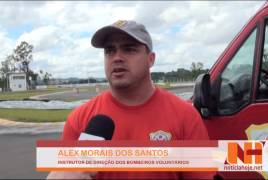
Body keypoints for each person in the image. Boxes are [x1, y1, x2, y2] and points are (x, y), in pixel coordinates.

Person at [47, 20, 214, 179]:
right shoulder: (79, 120)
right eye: (110, 50)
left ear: (151, 59)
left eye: (129, 49)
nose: (117, 57)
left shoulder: (186, 116)